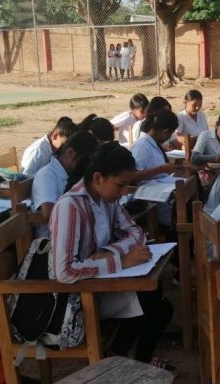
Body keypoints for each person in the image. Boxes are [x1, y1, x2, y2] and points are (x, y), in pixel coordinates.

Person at [49, 142, 173, 364]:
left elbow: (136, 233)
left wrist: (109, 253)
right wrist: (120, 261)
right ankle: (121, 357)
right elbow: (65, 271)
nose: (125, 191)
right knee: (151, 302)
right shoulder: (70, 207)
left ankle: (131, 359)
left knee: (160, 304)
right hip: (78, 297)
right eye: (121, 185)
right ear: (98, 178)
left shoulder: (107, 199)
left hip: (100, 282)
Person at [32, 131, 98, 237]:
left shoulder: (74, 173)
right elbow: (48, 215)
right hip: (53, 241)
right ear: (70, 152)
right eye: (83, 162)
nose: (86, 167)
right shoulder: (47, 174)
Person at [131, 109, 180, 183]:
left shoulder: (155, 144)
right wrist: (162, 169)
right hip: (148, 190)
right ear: (165, 132)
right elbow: (133, 176)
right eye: (170, 134)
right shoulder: (142, 145)